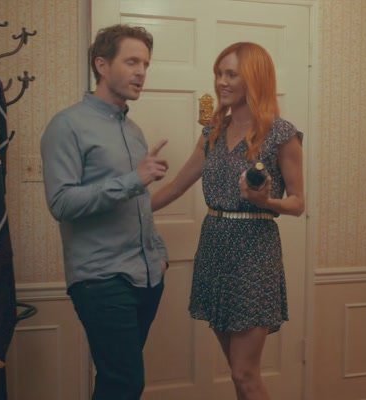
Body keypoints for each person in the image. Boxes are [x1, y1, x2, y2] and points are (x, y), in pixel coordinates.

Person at [151, 42, 305, 400]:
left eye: (231, 74)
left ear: (254, 78)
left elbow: (298, 203)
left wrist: (265, 201)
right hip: (215, 250)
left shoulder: (281, 134)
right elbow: (176, 187)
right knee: (237, 371)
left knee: (244, 372)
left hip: (255, 254)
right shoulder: (213, 132)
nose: (221, 81)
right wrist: (127, 210)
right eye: (219, 73)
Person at [40, 24, 169, 400]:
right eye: (131, 62)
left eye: (145, 64)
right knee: (125, 383)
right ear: (101, 64)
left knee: (116, 382)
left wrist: (159, 253)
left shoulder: (134, 131)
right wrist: (133, 179)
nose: (141, 72)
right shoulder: (67, 126)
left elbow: (138, 203)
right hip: (101, 279)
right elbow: (61, 203)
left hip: (147, 278)